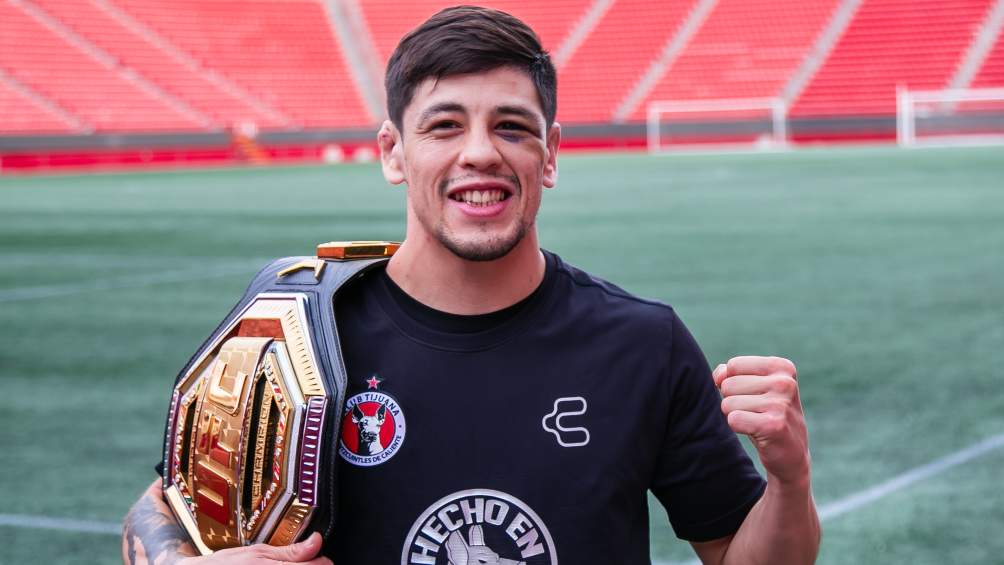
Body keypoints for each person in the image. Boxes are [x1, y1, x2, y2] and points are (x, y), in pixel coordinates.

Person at [122, 6, 820, 565]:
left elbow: (739, 554)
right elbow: (160, 506)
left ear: (549, 157)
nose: (480, 152)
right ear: (394, 153)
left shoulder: (644, 343)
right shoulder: (300, 331)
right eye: (445, 126)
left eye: (512, 128)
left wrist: (790, 479)